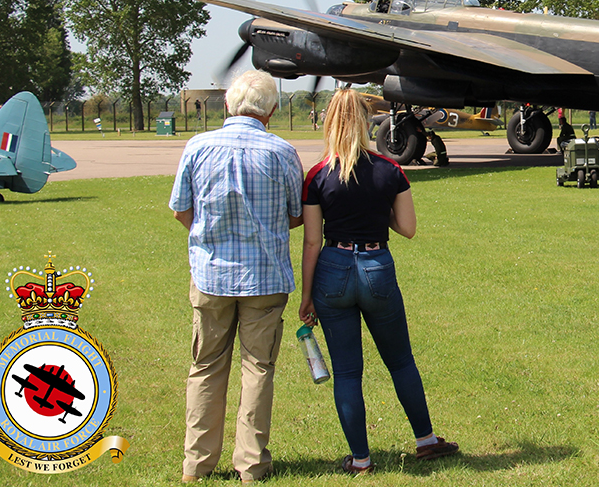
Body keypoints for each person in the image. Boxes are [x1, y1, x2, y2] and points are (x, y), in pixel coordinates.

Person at [298, 89, 458, 475]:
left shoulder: (318, 175)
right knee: (400, 360)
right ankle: (424, 440)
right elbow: (407, 228)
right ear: (367, 121)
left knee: (348, 371)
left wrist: (306, 297)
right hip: (376, 266)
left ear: (330, 123)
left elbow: (311, 240)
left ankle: (361, 460)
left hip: (333, 268)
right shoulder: (391, 170)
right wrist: (378, 210)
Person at [169, 70, 304, 483]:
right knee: (257, 368)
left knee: (206, 366)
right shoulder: (281, 151)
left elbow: (181, 208)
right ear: (272, 110)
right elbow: (296, 214)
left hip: (211, 274)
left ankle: (197, 463)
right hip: (264, 277)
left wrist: (209, 234)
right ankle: (250, 463)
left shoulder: (198, 145)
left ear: (227, 104)